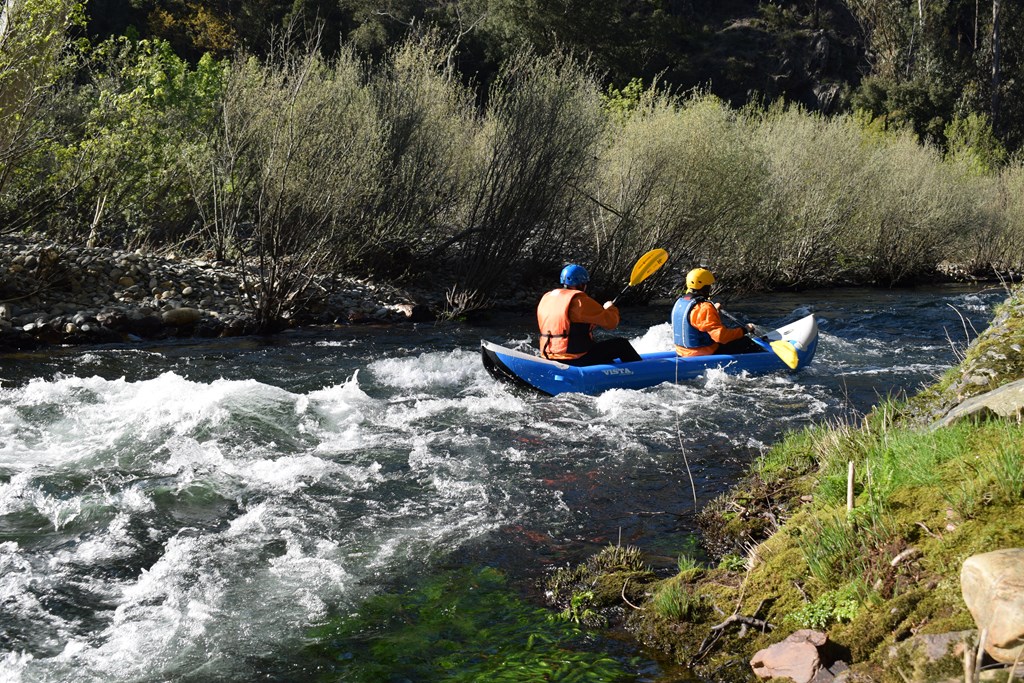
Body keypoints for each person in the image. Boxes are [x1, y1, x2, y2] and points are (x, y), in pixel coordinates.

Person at [537, 264, 642, 366]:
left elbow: (567, 323)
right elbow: (611, 323)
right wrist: (610, 308)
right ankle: (641, 373)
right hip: (575, 359)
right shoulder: (580, 302)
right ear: (582, 285)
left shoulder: (547, 298)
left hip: (548, 356)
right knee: (621, 345)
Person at [672, 267, 764, 357]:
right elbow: (720, 337)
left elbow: (696, 319)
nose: (710, 288)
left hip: (682, 352)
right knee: (746, 342)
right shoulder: (704, 308)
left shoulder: (680, 303)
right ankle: (766, 359)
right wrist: (744, 330)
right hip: (703, 353)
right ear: (704, 287)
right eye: (708, 286)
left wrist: (714, 310)